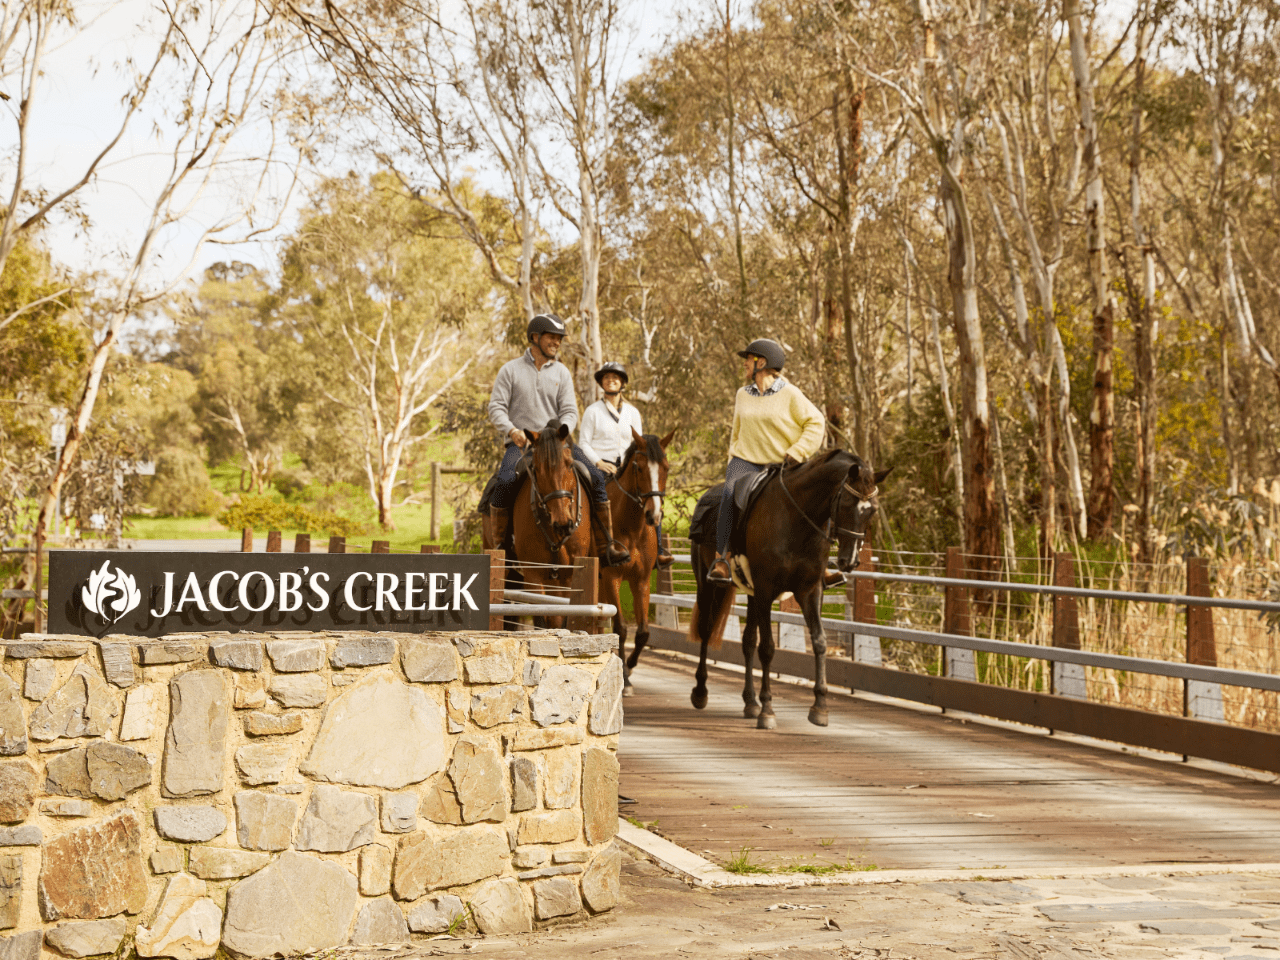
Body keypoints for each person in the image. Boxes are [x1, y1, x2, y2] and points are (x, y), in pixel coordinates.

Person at [487, 314, 630, 566]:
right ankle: (502, 549)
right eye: (552, 337)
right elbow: (496, 407)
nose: (557, 342)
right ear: (535, 337)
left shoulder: (562, 372)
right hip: (523, 444)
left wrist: (561, 433)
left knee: (596, 477)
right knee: (506, 480)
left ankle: (605, 545)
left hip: (558, 443)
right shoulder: (510, 370)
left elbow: (570, 411)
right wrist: (512, 430)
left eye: (559, 339)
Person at [707, 338, 825, 584]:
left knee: (814, 497)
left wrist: (798, 451)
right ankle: (722, 559)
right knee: (729, 492)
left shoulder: (790, 393)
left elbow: (816, 422)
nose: (744, 364)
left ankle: (821, 563)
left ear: (761, 363)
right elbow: (736, 432)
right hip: (746, 460)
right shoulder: (742, 394)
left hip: (782, 462)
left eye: (748, 360)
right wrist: (732, 461)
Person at [579, 362, 675, 569]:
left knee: (651, 492)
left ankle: (657, 550)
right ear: (601, 383)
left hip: (626, 466)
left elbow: (638, 444)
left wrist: (628, 462)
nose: (611, 380)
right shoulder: (592, 411)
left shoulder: (632, 412)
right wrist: (599, 463)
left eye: (615, 377)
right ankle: (594, 545)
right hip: (599, 465)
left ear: (622, 382)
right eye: (606, 377)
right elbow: (584, 443)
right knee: (591, 497)